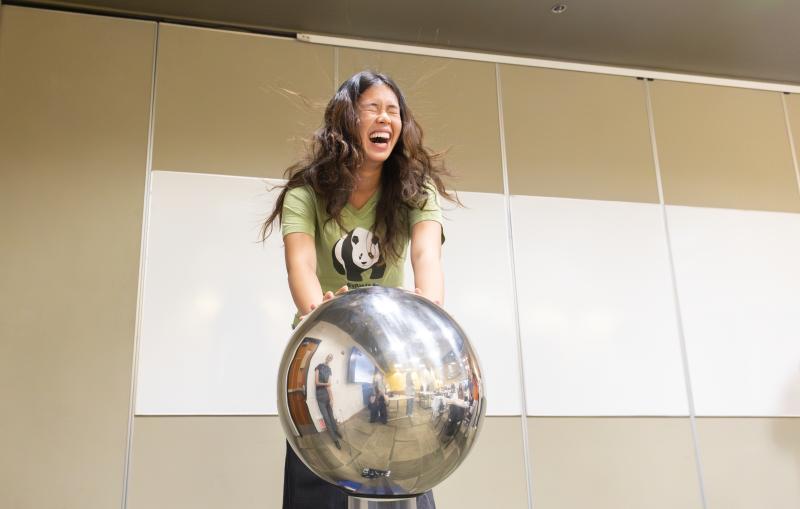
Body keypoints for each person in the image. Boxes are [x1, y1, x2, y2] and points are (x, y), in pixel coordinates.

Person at [261, 70, 455, 509]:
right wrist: (321, 312)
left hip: (391, 363)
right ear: (346, 119)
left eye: (393, 111)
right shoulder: (305, 192)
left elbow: (427, 256)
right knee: (318, 490)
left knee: (404, 482)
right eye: (372, 109)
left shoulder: (415, 191)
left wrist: (429, 306)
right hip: (321, 362)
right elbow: (302, 265)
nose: (384, 118)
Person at [314, 354, 342, 449]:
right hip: (320, 395)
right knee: (326, 418)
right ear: (326, 357)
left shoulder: (329, 370)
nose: (330, 358)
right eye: (329, 356)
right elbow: (317, 382)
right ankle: (335, 440)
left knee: (331, 416)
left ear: (331, 359)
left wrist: (332, 399)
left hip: (327, 394)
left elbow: (329, 386)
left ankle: (336, 431)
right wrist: (326, 383)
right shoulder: (319, 366)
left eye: (331, 357)